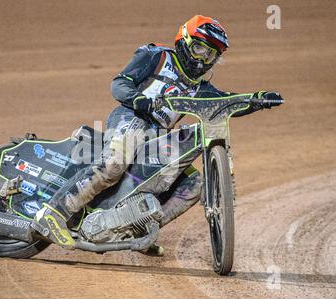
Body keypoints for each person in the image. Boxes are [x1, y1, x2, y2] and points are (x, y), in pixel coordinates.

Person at [31, 15, 283, 249]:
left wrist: (257, 100)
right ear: (183, 42)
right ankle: (52, 213)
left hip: (158, 138)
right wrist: (140, 100)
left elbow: (226, 104)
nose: (202, 59)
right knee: (114, 163)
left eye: (211, 55)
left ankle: (133, 228)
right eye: (199, 49)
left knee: (193, 185)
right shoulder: (156, 56)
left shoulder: (201, 88)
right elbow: (119, 83)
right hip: (132, 118)